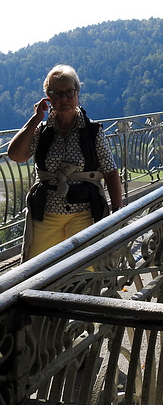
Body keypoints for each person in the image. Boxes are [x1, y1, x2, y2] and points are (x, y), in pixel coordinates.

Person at [8, 64, 123, 261]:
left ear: (77, 94)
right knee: (37, 270)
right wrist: (36, 119)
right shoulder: (42, 131)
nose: (64, 99)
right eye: (56, 93)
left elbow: (111, 172)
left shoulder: (93, 131)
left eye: (69, 92)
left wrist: (117, 214)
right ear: (48, 99)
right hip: (46, 214)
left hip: (84, 213)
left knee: (84, 270)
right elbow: (16, 155)